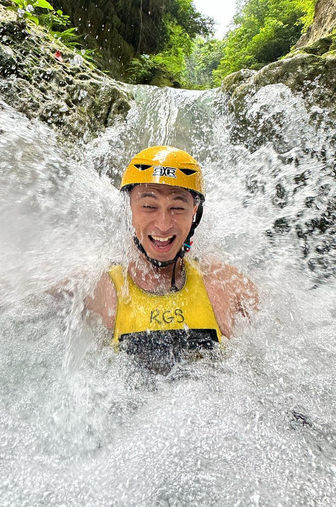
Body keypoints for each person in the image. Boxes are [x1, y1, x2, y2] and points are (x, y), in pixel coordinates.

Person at [86, 146, 258, 366]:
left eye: (177, 208)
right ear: (129, 208)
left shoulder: (225, 284)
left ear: (194, 212)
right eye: (149, 206)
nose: (164, 224)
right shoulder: (99, 288)